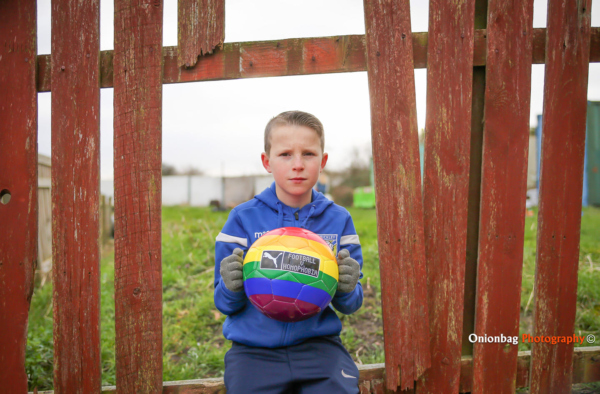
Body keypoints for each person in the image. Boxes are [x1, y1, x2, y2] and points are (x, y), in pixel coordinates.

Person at [214, 111, 363, 393]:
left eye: (308, 154)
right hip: (253, 351)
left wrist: (346, 287)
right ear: (266, 162)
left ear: (323, 161)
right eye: (285, 155)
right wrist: (231, 287)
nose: (298, 165)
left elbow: (351, 305)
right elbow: (223, 303)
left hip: (320, 349)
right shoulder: (241, 219)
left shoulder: (339, 220)